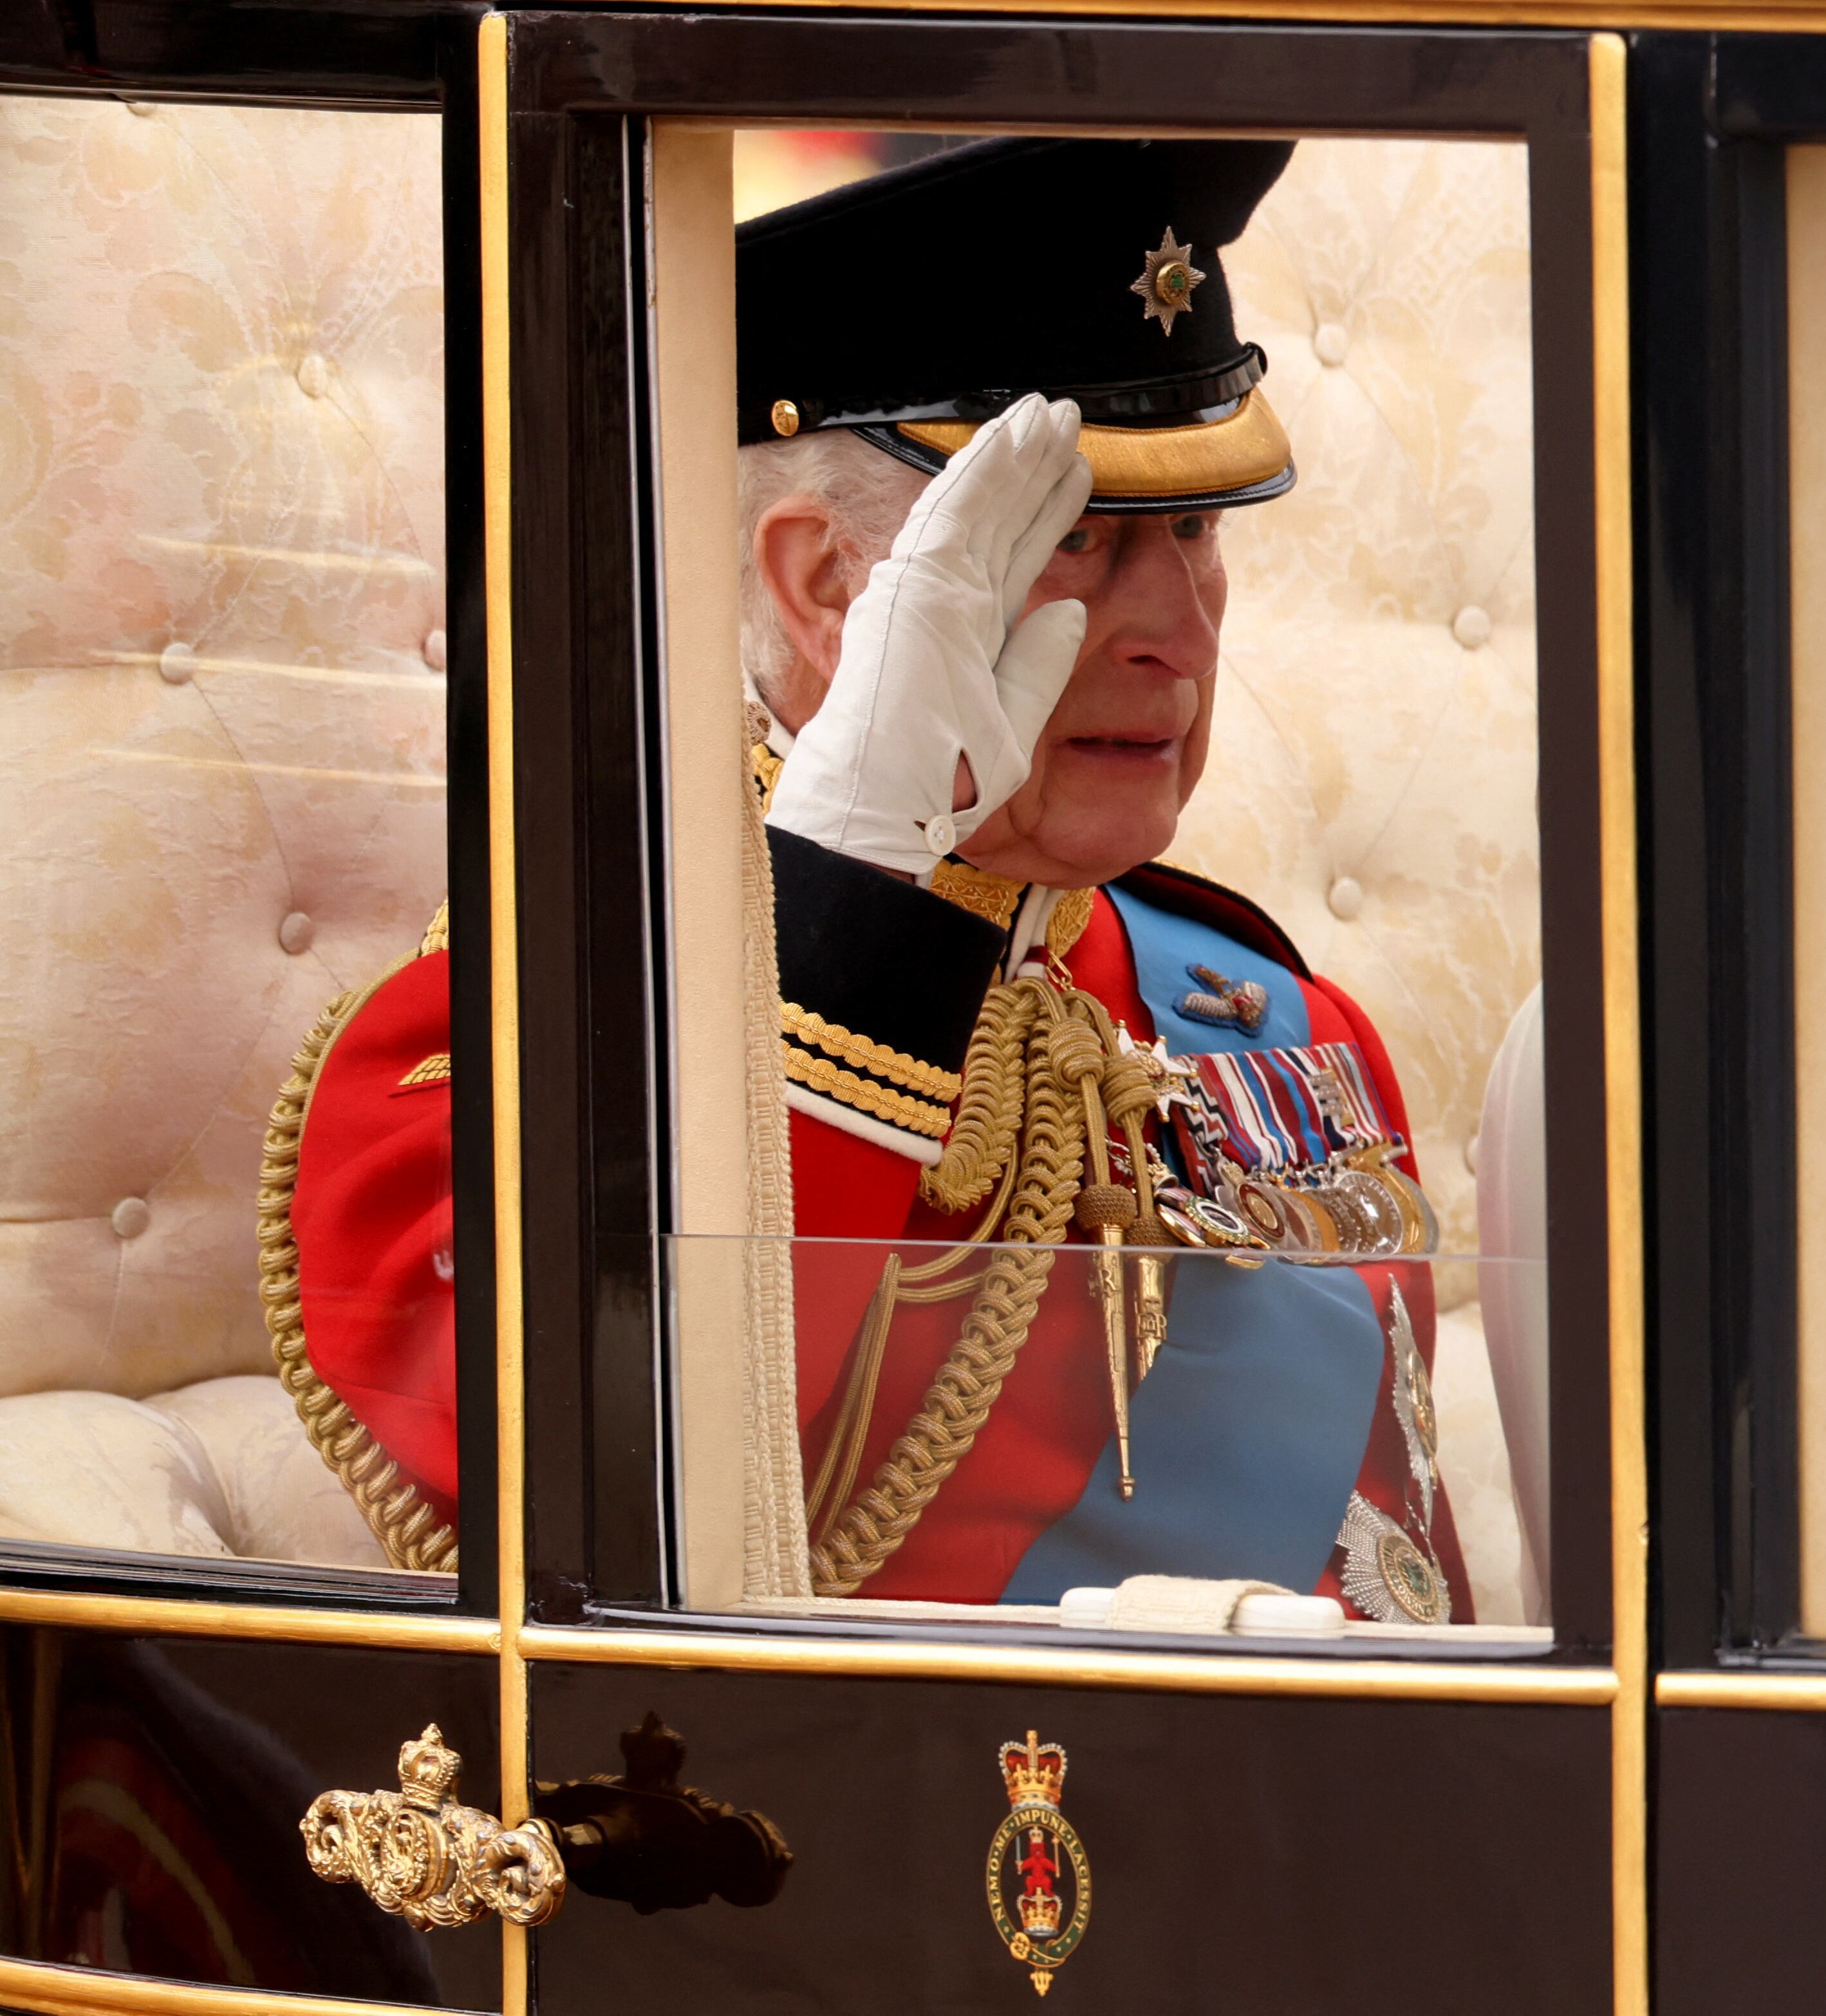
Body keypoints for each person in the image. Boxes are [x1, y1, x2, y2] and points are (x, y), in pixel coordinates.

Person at [273, 138, 1471, 1623]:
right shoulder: (522, 1032)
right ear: (822, 585)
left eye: (1198, 532)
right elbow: (570, 1485)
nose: (1177, 627)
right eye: (1081, 541)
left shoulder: (1288, 1026)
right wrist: (845, 893)